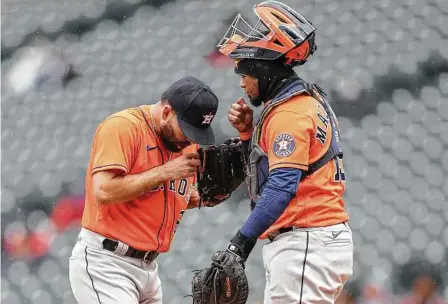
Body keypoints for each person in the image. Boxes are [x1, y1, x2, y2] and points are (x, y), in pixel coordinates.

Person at [214, 1, 354, 303]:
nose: (242, 83)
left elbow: (280, 186)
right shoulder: (301, 102)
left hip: (306, 240)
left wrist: (239, 244)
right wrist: (247, 135)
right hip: (312, 240)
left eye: (245, 72)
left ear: (264, 71)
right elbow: (269, 172)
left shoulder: (290, 114)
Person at [69, 76, 220, 304]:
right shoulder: (123, 127)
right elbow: (104, 191)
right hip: (107, 263)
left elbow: (169, 195)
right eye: (187, 130)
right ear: (167, 112)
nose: (189, 140)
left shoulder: (184, 141)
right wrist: (164, 171)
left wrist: (204, 198)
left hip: (149, 269)